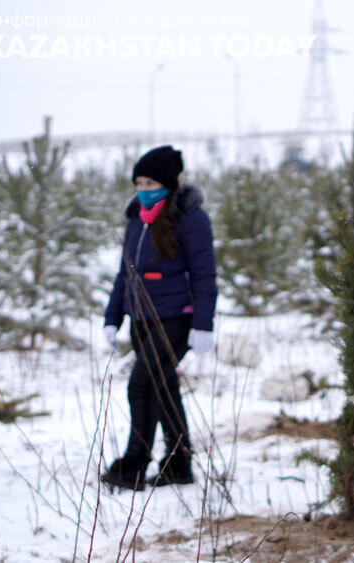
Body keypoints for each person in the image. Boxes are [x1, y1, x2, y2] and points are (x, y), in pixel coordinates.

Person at [101, 145, 218, 491]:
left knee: (141, 385)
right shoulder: (137, 216)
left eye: (150, 181)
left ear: (168, 182)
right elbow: (126, 273)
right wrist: (113, 316)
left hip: (176, 319)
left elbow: (205, 275)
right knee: (164, 388)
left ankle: (134, 463)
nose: (143, 188)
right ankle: (179, 464)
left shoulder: (191, 218)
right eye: (138, 182)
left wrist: (203, 324)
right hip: (142, 319)